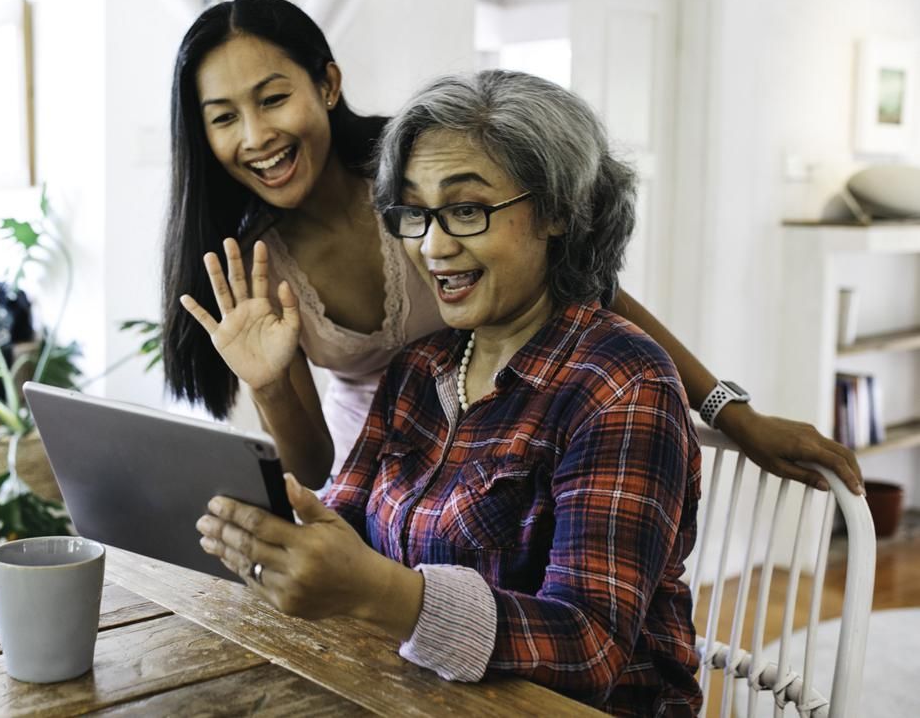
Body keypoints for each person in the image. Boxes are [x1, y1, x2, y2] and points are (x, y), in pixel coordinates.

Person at [164, 0, 861, 494]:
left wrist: (732, 414)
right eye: (224, 118)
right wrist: (268, 386)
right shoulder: (247, 265)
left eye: (273, 98)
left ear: (328, 83)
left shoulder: (421, 168)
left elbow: (597, 291)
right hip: (389, 476)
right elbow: (316, 471)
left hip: (514, 444)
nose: (255, 136)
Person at [194, 70, 702, 714]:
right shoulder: (419, 368)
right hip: (412, 696)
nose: (431, 246)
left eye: (466, 209)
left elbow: (590, 647)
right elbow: (342, 521)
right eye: (414, 212)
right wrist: (277, 528)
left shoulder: (621, 384)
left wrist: (382, 594)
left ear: (558, 213)